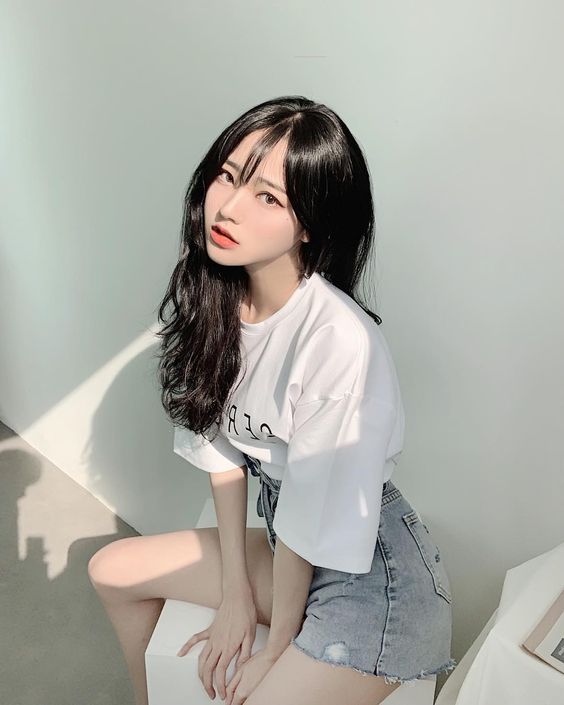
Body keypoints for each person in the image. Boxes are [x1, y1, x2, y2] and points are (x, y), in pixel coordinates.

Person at [88, 95, 456, 705]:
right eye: (228, 177)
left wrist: (276, 646)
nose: (228, 207)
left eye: (268, 197)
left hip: (372, 583)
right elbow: (224, 460)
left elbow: (314, 518)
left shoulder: (336, 340)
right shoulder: (215, 300)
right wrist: (235, 594)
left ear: (309, 223)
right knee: (111, 571)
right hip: (292, 548)